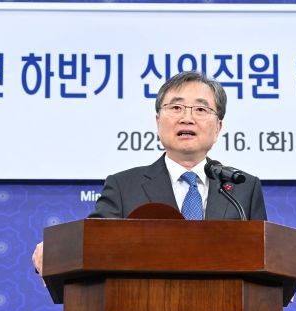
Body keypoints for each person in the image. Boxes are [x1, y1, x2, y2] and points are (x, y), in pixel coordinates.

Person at [31, 71, 266, 274]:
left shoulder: (242, 188)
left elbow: (263, 257)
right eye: (176, 107)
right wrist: (57, 250)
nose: (187, 118)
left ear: (218, 127)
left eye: (201, 109)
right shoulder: (123, 187)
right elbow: (93, 243)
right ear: (157, 121)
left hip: (224, 310)